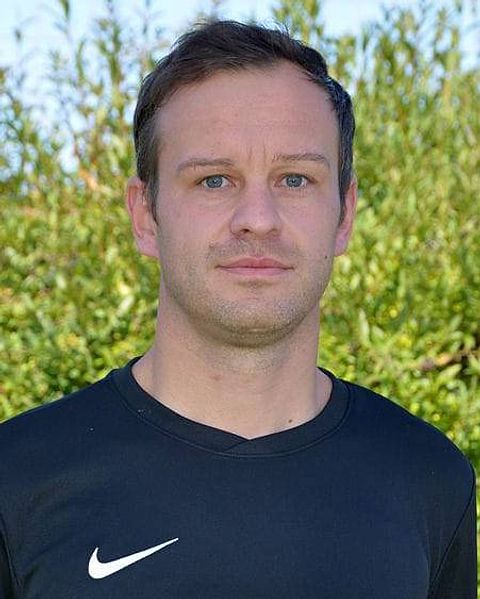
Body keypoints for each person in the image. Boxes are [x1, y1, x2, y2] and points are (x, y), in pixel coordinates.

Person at [0, 20, 476, 599]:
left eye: (295, 179)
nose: (258, 218)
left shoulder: (430, 478)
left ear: (344, 214)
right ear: (145, 214)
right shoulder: (17, 479)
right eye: (214, 180)